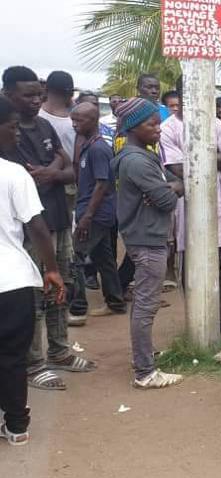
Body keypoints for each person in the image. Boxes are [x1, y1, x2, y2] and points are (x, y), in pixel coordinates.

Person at [2, 66, 90, 392]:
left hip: (56, 218)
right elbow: (26, 180)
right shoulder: (8, 133)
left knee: (61, 287)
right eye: (27, 95)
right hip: (28, 230)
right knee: (33, 297)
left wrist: (52, 171)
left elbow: (69, 170)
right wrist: (55, 171)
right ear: (8, 94)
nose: (36, 100)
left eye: (38, 94)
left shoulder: (44, 126)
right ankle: (34, 362)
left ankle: (60, 350)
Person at [0, 95, 66, 446]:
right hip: (11, 281)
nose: (15, 134)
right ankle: (16, 426)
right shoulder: (13, 174)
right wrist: (52, 269)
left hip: (11, 280)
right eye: (11, 128)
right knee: (12, 357)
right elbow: (37, 227)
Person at [160, 81, 221, 342]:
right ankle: (195, 325)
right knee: (191, 270)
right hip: (187, 207)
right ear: (181, 97)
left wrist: (196, 157)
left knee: (219, 269)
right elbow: (176, 168)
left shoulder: (214, 123)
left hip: (216, 203)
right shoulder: (168, 129)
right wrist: (212, 157)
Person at [112, 97, 184, 389]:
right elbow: (168, 198)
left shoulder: (146, 155)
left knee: (145, 302)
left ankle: (144, 355)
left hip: (147, 234)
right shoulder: (136, 161)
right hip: (146, 238)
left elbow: (173, 182)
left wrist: (169, 187)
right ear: (132, 126)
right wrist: (170, 189)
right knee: (145, 304)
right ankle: (145, 371)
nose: (158, 128)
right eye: (151, 124)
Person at [66, 102, 125, 322]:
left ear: (93, 120)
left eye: (78, 120)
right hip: (93, 212)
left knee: (76, 258)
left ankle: (78, 308)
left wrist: (87, 217)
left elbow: (102, 184)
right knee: (105, 259)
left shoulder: (99, 149)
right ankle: (116, 302)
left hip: (95, 215)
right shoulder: (89, 145)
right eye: (73, 120)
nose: (74, 124)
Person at [38, 71, 76, 157]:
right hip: (70, 169)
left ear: (46, 89)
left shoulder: (33, 115)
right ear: (71, 93)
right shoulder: (78, 122)